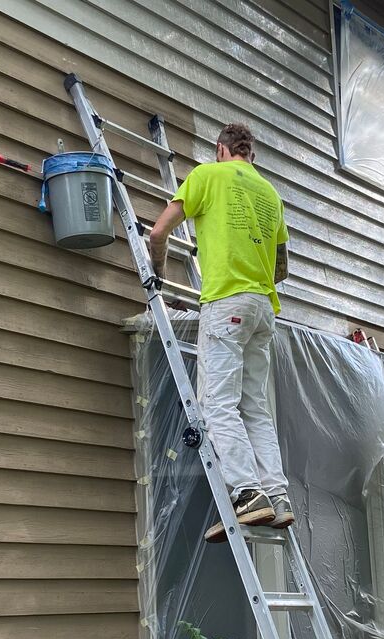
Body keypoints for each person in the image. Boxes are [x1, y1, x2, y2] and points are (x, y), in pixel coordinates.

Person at [149, 122, 293, 542]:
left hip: (226, 301)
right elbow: (281, 266)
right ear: (250, 154)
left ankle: (248, 494)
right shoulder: (270, 194)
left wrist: (156, 274)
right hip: (263, 309)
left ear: (220, 150)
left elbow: (159, 232)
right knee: (255, 408)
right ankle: (277, 496)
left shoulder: (206, 175)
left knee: (218, 404)